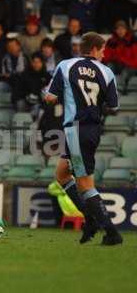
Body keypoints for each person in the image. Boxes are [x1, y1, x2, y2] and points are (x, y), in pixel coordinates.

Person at [44, 32, 122, 245]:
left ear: (82, 48)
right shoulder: (107, 72)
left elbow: (50, 97)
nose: (104, 54)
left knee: (85, 183)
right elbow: (113, 106)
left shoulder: (66, 65)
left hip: (76, 129)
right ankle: (90, 219)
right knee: (61, 174)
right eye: (103, 50)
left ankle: (110, 231)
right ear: (95, 49)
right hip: (91, 130)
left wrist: (61, 96)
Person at [103, 20, 137, 94]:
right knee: (108, 67)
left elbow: (135, 60)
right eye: (118, 29)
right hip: (116, 64)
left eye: (122, 29)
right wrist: (114, 58)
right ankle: (106, 89)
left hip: (130, 66)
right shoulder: (111, 41)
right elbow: (105, 57)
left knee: (125, 73)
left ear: (126, 30)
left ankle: (121, 89)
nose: (120, 31)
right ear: (115, 30)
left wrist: (122, 60)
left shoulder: (133, 41)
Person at [0, 38, 27, 109]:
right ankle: (0, 106)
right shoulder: (4, 58)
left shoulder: (25, 58)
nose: (12, 48)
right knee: (0, 85)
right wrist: (13, 75)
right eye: (9, 47)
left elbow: (25, 74)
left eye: (13, 46)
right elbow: (2, 75)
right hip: (9, 83)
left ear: (19, 46)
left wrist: (11, 75)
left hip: (21, 84)